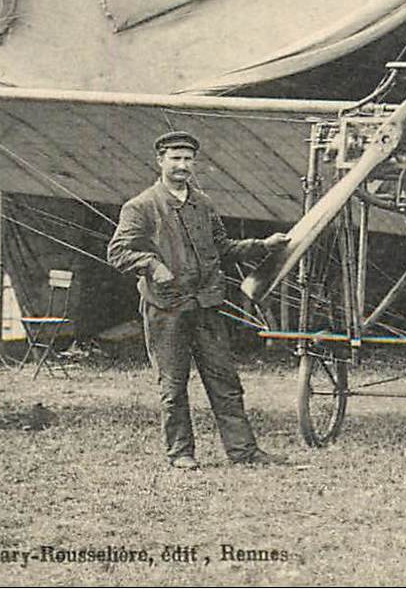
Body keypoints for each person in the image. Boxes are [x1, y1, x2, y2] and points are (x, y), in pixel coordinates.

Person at [108, 130, 291, 471]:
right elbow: (117, 252)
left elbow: (223, 248)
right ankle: (180, 453)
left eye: (188, 159)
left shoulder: (202, 203)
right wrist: (152, 265)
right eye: (175, 159)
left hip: (206, 306)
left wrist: (263, 245)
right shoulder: (141, 206)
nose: (182, 166)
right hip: (166, 308)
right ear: (160, 161)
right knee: (173, 385)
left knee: (225, 382)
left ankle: (243, 452)